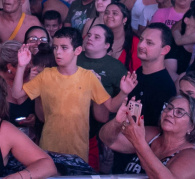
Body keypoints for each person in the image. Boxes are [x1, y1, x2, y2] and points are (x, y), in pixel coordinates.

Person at [12, 26, 138, 163]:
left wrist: (124, 92)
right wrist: (21, 66)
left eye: (64, 47)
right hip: (48, 149)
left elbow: (112, 107)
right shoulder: (46, 75)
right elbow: (17, 94)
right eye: (55, 47)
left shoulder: (89, 77)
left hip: (78, 152)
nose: (58, 52)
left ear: (78, 50)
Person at [98, 95, 195, 179]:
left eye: (179, 112)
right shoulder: (152, 135)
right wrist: (117, 122)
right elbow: (108, 140)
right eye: (169, 108)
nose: (169, 113)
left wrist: (139, 142)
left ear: (192, 126)